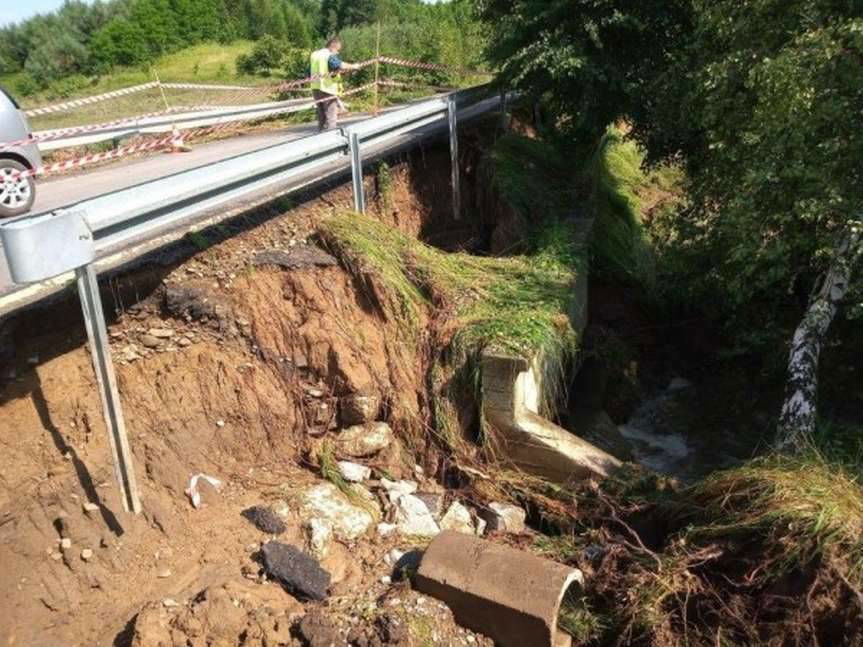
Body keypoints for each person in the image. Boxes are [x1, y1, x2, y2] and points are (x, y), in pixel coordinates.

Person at [309, 37, 359, 131]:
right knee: (331, 115)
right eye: (337, 50)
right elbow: (339, 64)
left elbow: (308, 71)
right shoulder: (328, 55)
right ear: (332, 46)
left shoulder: (314, 54)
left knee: (321, 115)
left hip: (315, 88)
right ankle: (330, 137)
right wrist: (354, 66)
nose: (337, 53)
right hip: (327, 88)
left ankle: (321, 135)